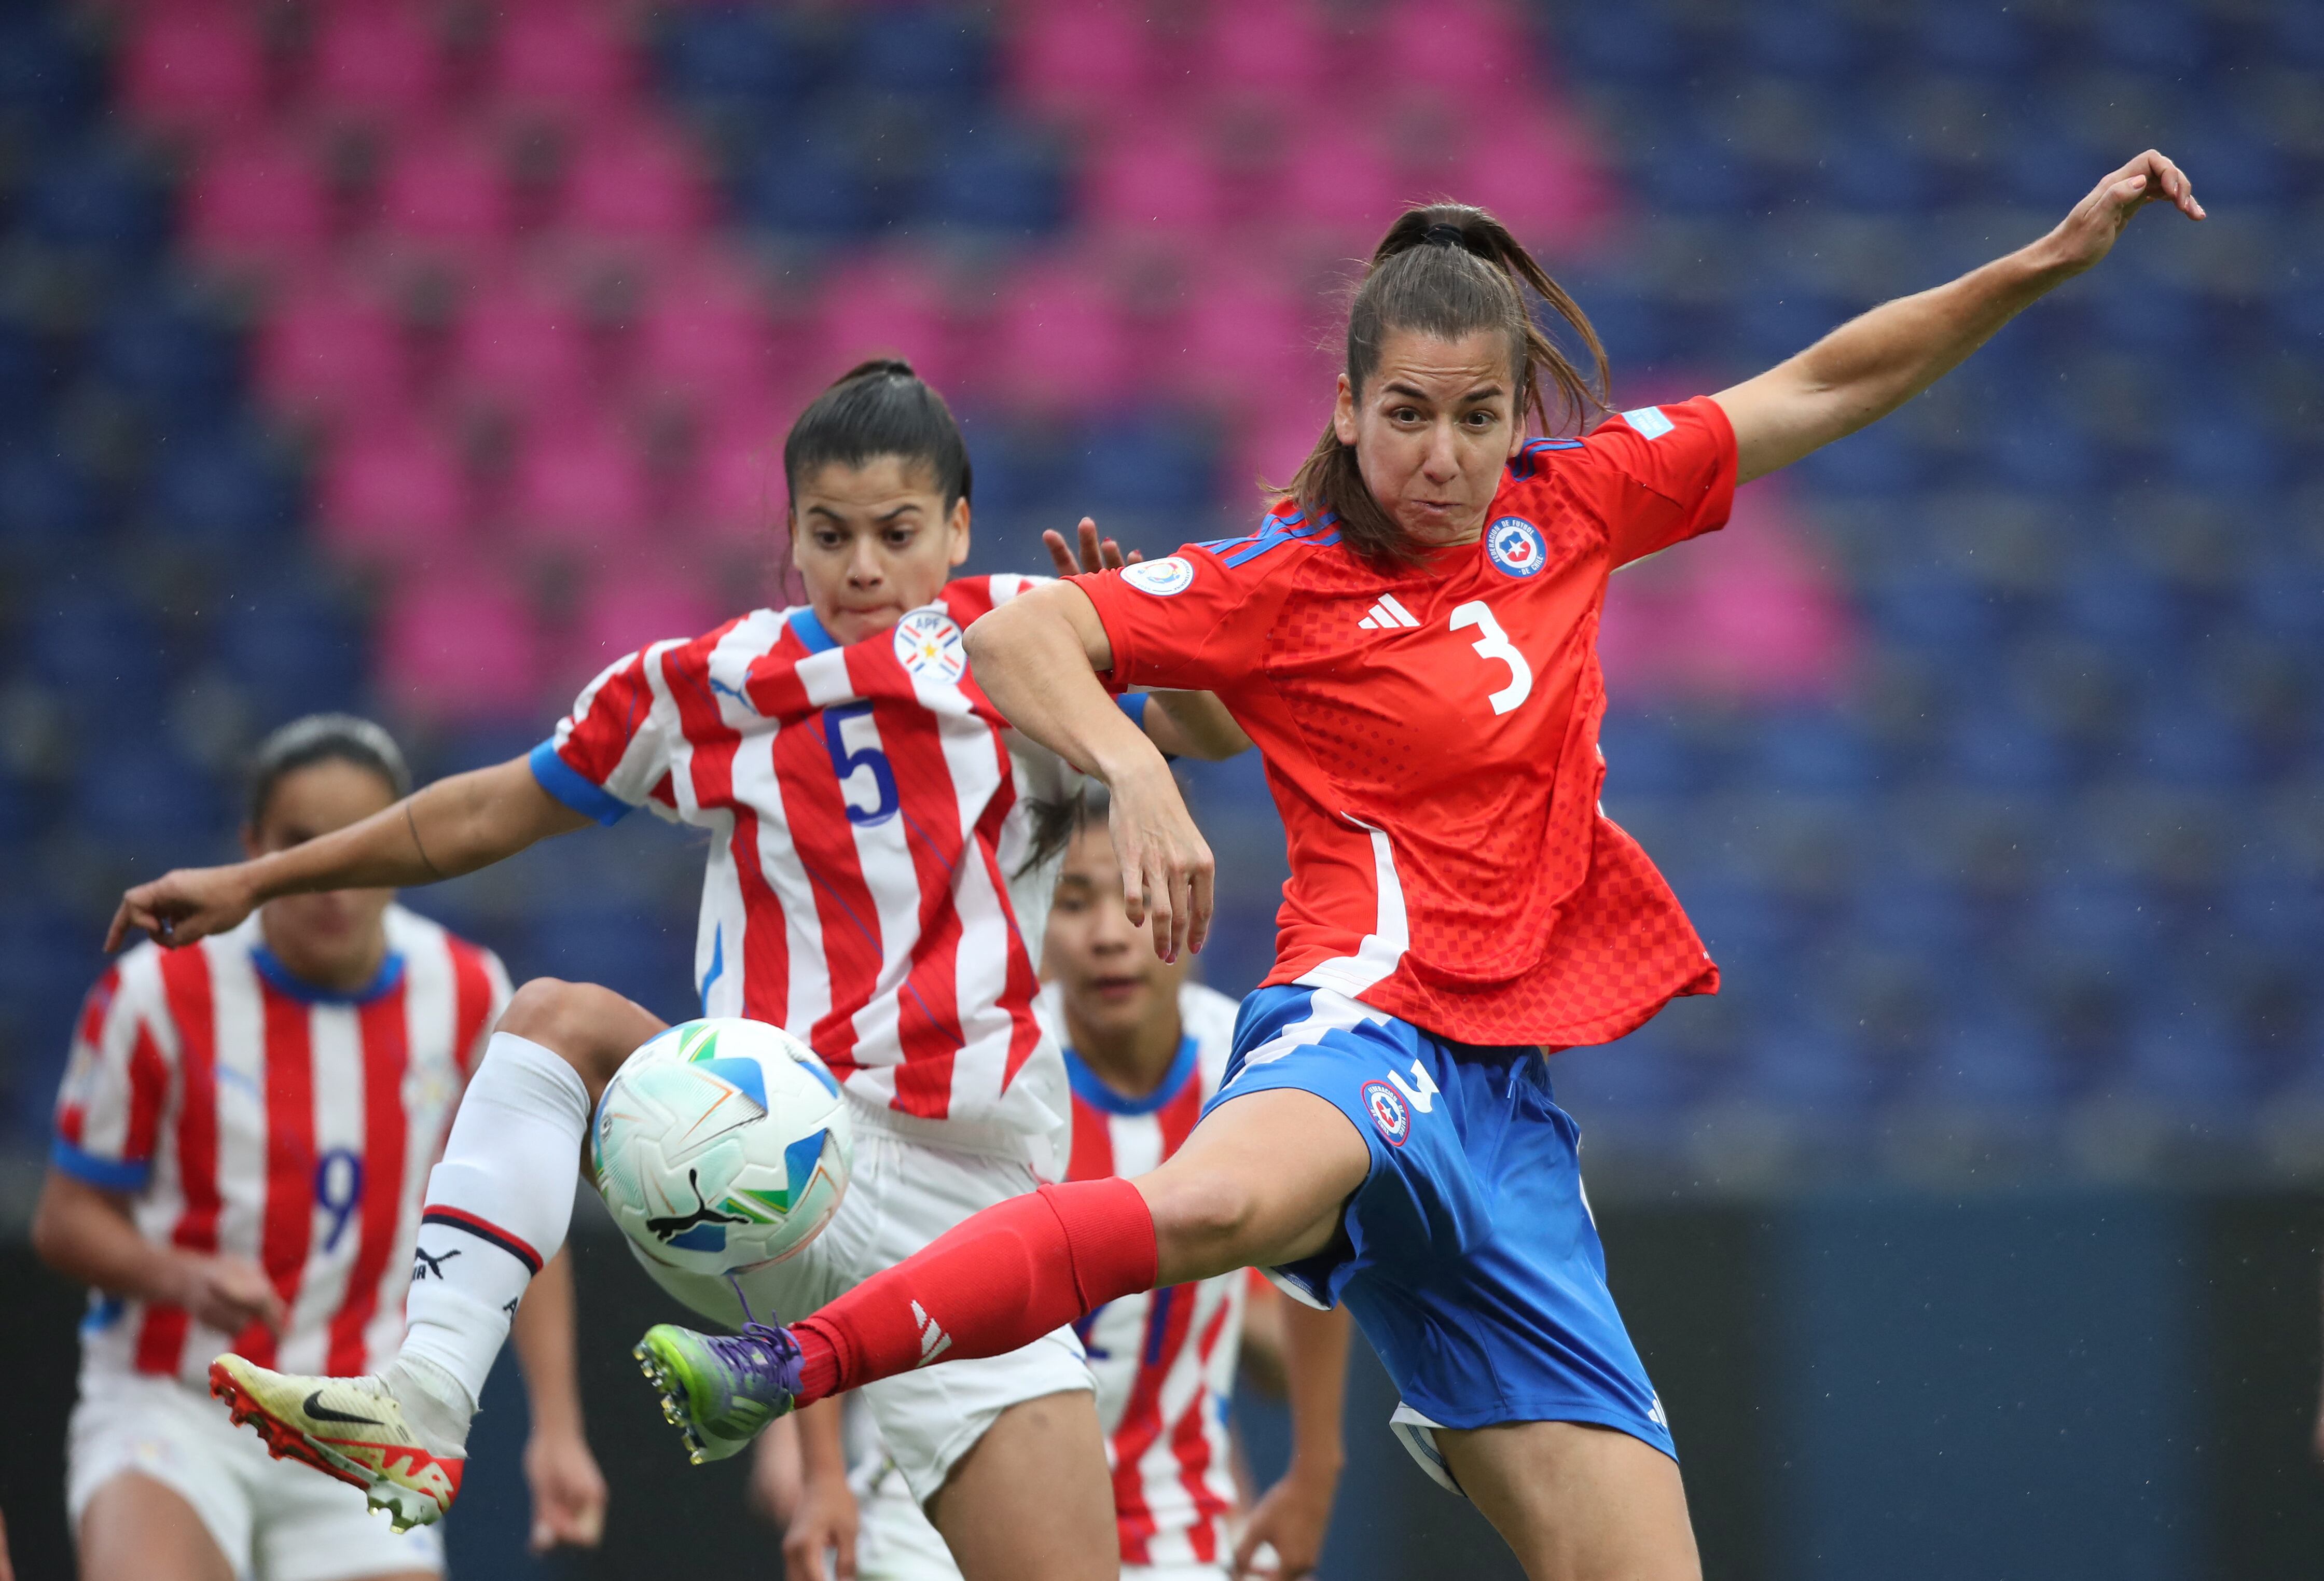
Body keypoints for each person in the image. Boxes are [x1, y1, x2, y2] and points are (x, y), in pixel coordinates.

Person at [606, 151, 2207, 1581]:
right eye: (1406, 415)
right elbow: (1019, 633)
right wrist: (1141, 764)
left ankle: (1448, 1383)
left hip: (1512, 1123)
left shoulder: (1572, 508)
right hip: (1360, 1032)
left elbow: (1822, 383)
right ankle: (789, 1361)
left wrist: (2034, 265)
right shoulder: (1281, 576)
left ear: (1521, 416)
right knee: (1208, 1209)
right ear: (1350, 409)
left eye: (1477, 416)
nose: (1440, 455)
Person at [113, 363, 1248, 1581]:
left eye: (897, 532)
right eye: (830, 534)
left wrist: (1139, 650)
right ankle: (426, 1393)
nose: (863, 566)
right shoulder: (708, 688)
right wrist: (256, 884)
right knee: (555, 1017)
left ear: (958, 527)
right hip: (771, 1152)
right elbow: (491, 810)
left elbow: (1214, 731)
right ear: (792, 535)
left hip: (980, 1216)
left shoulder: (1020, 636)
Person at [38, 714, 606, 1581]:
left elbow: (524, 1223)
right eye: (304, 845)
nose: (333, 884)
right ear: (256, 847)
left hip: (361, 1416)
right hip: (176, 1403)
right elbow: (66, 1220)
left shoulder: (465, 993)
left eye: (357, 847)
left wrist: (557, 1431)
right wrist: (183, 1279)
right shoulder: (157, 994)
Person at [782, 794, 1350, 1581]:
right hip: (942, 1515)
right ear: (1033, 922)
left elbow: (1331, 1243)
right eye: (1074, 902)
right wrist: (818, 1476)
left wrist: (1314, 1469)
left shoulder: (1256, 1069)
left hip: (1172, 1522)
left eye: (1134, 893)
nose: (1110, 935)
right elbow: (838, 1232)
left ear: (1194, 903)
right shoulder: (982, 1068)